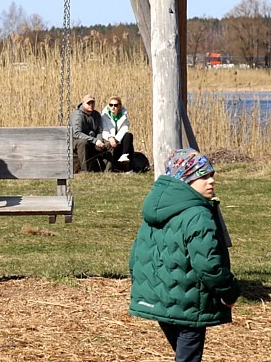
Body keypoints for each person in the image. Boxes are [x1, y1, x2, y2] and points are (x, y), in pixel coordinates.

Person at [129, 149, 241, 362]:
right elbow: (209, 265)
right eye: (203, 176)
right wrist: (230, 292)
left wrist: (143, 287)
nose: (212, 181)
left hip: (161, 298)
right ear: (186, 180)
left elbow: (137, 254)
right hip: (188, 302)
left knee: (184, 354)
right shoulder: (198, 215)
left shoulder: (155, 208)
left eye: (211, 174)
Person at [71, 94, 109, 172]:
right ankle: (85, 170)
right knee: (83, 143)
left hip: (92, 140)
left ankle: (108, 169)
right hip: (76, 141)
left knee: (108, 143)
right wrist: (95, 141)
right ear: (83, 103)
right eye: (88, 103)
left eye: (93, 103)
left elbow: (99, 130)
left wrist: (99, 140)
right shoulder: (78, 115)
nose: (91, 105)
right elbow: (77, 133)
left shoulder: (97, 115)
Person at [100, 95, 135, 170]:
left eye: (115, 105)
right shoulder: (104, 116)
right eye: (111, 105)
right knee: (127, 144)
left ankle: (125, 157)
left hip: (118, 139)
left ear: (119, 106)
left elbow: (124, 128)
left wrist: (116, 139)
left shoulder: (123, 116)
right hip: (108, 139)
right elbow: (103, 130)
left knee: (129, 136)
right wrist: (110, 138)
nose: (113, 107)